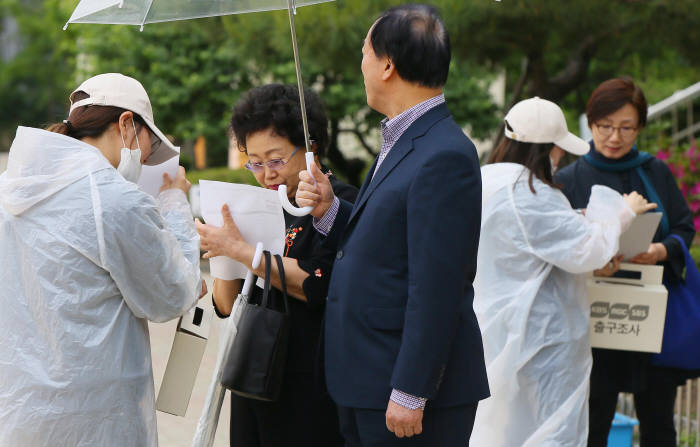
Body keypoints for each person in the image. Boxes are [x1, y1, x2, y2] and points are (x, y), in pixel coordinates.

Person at [294, 5, 489, 445]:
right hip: (366, 376)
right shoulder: (403, 139)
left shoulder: (445, 154)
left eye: (363, 53)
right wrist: (330, 209)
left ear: (387, 64)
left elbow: (438, 284)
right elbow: (386, 244)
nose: (359, 65)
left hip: (405, 390)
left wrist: (412, 390)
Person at [0, 73, 203, 446]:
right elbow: (172, 294)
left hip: (20, 415)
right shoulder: (113, 199)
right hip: (96, 420)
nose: (144, 160)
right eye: (147, 145)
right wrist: (174, 203)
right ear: (127, 123)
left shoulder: (8, 189)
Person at [470, 97, 656, 447]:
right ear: (548, 149)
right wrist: (623, 212)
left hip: (495, 326)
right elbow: (589, 250)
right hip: (542, 334)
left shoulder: (486, 179)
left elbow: (544, 237)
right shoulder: (529, 192)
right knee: (553, 430)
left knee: (497, 426)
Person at [195, 83, 357, 447]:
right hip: (253, 375)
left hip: (310, 382)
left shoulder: (342, 204)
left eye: (276, 159)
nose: (266, 174)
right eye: (254, 162)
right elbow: (225, 305)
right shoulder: (256, 204)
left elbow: (319, 283)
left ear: (311, 148)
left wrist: (242, 252)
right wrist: (222, 252)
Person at [555, 77, 697, 447]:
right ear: (590, 122)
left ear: (640, 128)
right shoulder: (569, 179)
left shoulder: (654, 172)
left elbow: (683, 226)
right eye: (605, 126)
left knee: (658, 423)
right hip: (592, 322)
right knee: (591, 423)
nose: (614, 137)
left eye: (626, 128)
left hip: (648, 319)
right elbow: (556, 246)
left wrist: (659, 251)